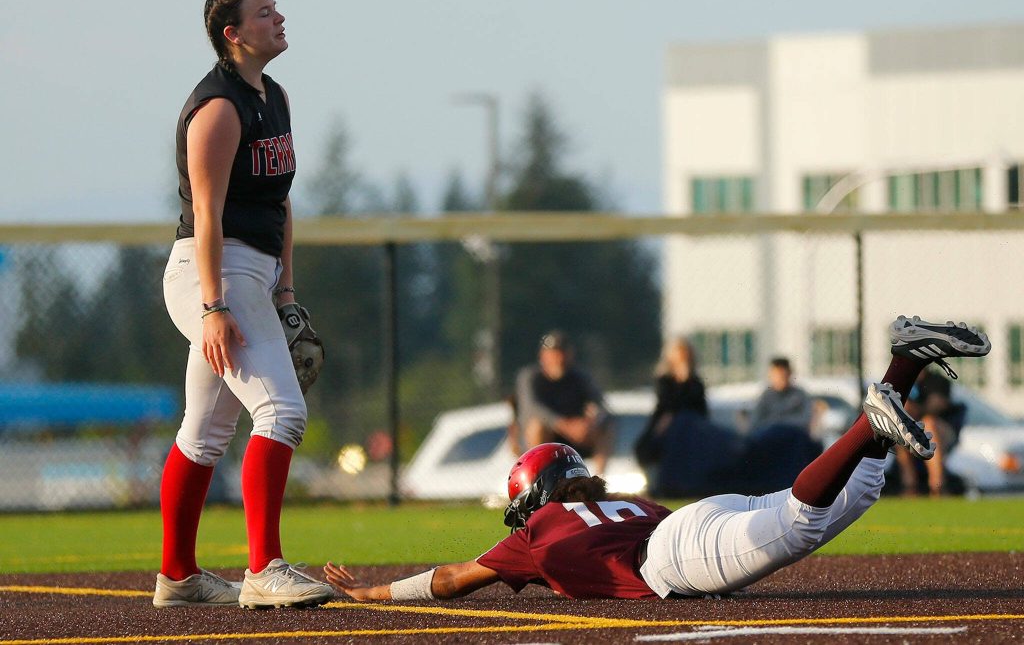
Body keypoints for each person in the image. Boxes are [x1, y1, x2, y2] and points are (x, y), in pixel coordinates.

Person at [323, 316, 989, 601]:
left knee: (803, 520)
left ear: (533, 495)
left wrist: (373, 590)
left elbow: (451, 577)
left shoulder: (537, 531)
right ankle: (904, 359)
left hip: (672, 554)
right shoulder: (618, 498)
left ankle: (875, 410)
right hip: (686, 521)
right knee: (855, 492)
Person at [154, 0, 333, 609]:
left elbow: (280, 203)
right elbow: (207, 214)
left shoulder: (273, 96)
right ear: (233, 34)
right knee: (282, 413)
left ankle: (178, 578)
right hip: (211, 271)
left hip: (249, 274)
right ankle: (264, 568)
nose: (278, 17)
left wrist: (285, 291)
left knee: (204, 431)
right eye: (264, 12)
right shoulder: (219, 107)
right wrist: (214, 306)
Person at [515, 331, 612, 474]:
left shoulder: (580, 377)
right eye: (554, 354)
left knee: (607, 427)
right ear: (543, 356)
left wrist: (590, 423)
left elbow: (601, 406)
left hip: (574, 438)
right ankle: (539, 478)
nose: (559, 358)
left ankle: (599, 481)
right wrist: (564, 425)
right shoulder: (530, 377)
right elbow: (533, 407)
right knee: (537, 426)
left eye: (563, 353)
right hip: (544, 438)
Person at [634, 337, 708, 467]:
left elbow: (700, 410)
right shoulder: (664, 382)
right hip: (667, 431)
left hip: (691, 431)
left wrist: (686, 381)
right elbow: (669, 404)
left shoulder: (696, 384)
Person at [897, 367, 955, 496]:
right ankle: (909, 486)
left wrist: (916, 409)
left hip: (941, 430)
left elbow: (937, 404)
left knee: (929, 424)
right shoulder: (901, 381)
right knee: (901, 430)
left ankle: (937, 485)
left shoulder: (936, 380)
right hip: (911, 430)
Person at [750, 357, 813, 432]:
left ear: (789, 374)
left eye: (783, 375)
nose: (780, 378)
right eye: (777, 374)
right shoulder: (766, 396)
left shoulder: (799, 395)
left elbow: (805, 420)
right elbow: (756, 421)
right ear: (770, 375)